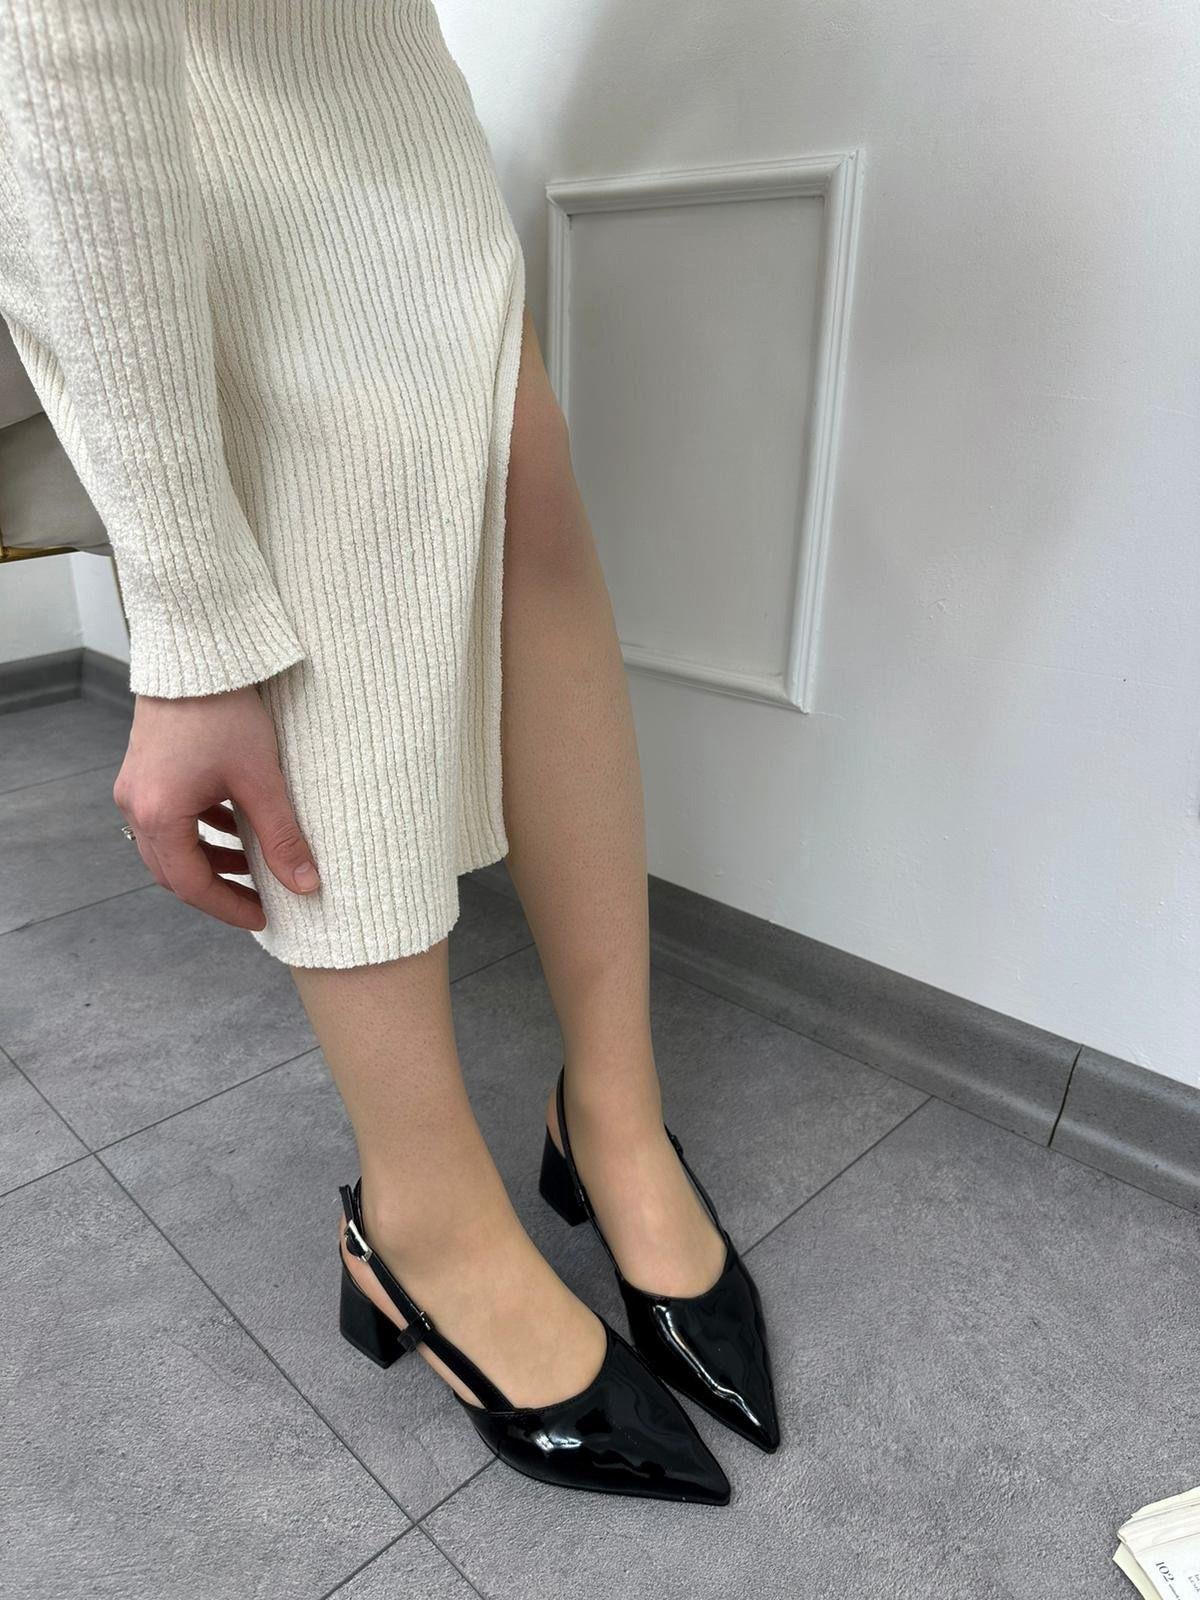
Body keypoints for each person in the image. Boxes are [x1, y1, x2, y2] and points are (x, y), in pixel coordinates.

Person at [0, 0, 778, 1502]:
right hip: (99, 121)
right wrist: (190, 619)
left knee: (518, 466)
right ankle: (423, 1218)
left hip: (348, 61)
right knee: (335, 498)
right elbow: (68, 55)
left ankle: (610, 1117)